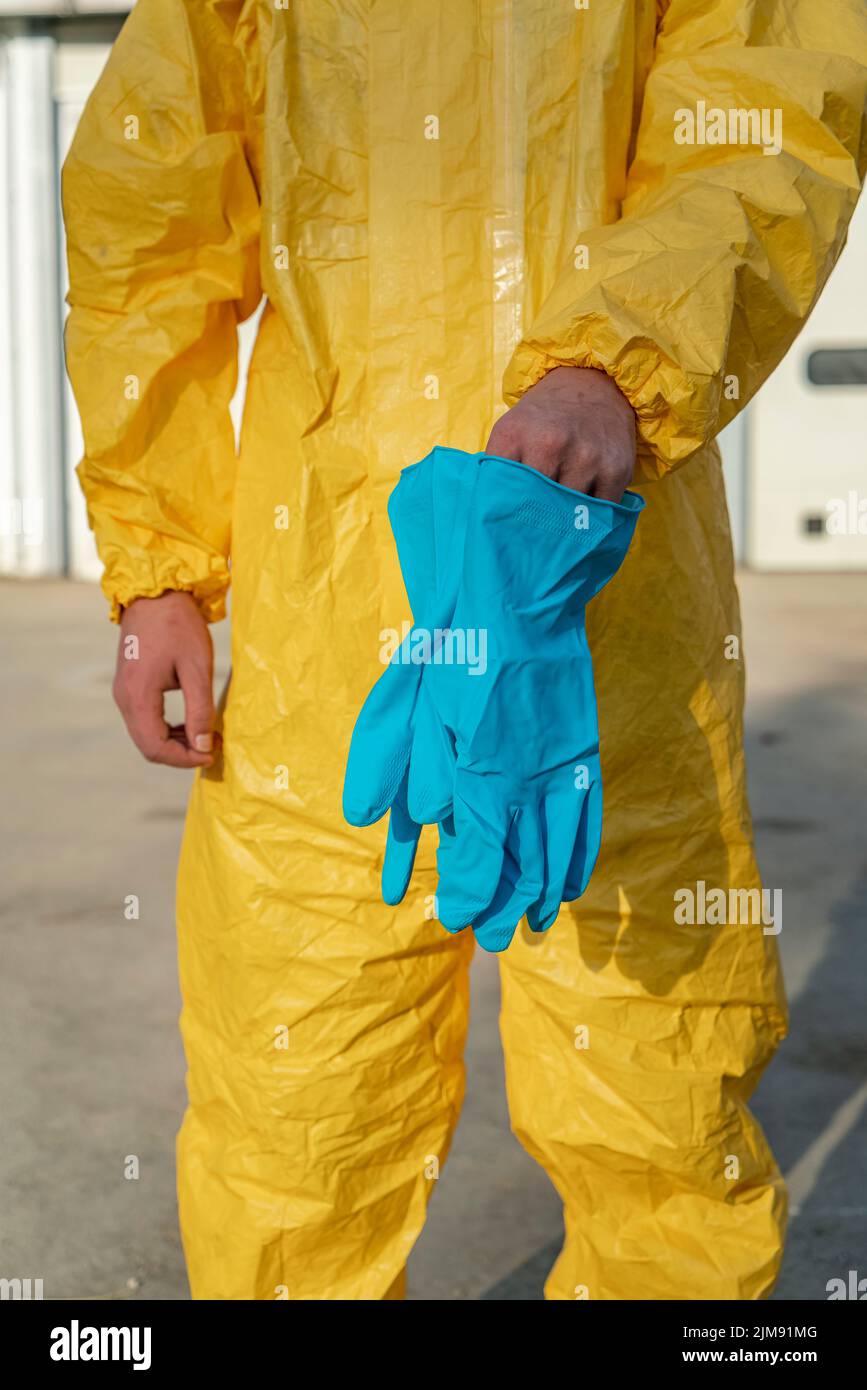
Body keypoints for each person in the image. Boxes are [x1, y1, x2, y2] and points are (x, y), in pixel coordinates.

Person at [62, 0, 867, 1300]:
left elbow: (766, 128)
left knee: (658, 1091)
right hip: (321, 611)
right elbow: (147, 221)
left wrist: (617, 367)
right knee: (296, 1112)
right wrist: (158, 572)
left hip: (600, 592)